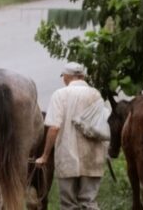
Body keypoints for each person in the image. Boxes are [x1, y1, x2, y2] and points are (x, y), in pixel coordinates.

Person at [35, 62, 108, 209]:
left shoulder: (60, 95)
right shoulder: (95, 94)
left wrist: (45, 156)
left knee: (68, 205)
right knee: (89, 203)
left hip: (67, 158)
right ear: (82, 76)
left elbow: (54, 127)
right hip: (92, 157)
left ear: (67, 77)